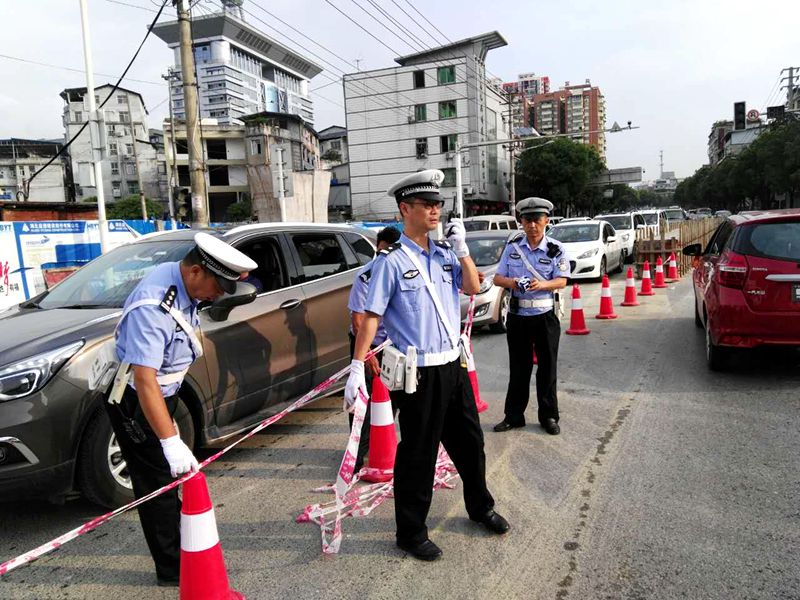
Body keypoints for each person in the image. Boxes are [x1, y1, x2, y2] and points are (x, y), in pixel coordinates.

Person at [344, 169, 509, 562]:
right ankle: (411, 531)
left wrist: (464, 248)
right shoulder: (389, 263)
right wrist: (355, 366)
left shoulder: (446, 254)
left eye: (438, 204)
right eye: (427, 205)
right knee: (418, 454)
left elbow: (472, 288)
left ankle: (480, 507)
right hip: (418, 374)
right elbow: (370, 316)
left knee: (471, 444)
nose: (436, 210)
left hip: (452, 366)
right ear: (405, 209)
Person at [108, 232, 256, 587]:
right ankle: (172, 567)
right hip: (138, 401)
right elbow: (145, 381)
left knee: (167, 477)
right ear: (193, 272)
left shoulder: (181, 282)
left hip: (165, 392)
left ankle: (179, 545)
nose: (218, 294)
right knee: (156, 484)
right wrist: (170, 439)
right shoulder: (153, 307)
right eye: (216, 286)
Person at [491, 198, 569, 436]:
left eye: (537, 220)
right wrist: (513, 282)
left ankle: (549, 416)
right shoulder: (513, 248)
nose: (532, 225)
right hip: (517, 316)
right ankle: (514, 416)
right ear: (521, 222)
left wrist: (542, 284)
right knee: (519, 368)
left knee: (547, 368)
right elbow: (497, 278)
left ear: (546, 221)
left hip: (544, 315)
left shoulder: (556, 249)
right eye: (527, 220)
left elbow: (562, 281)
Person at [346, 225, 402, 471]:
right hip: (368, 344)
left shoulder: (402, 271)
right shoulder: (365, 276)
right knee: (362, 402)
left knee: (395, 397)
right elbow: (358, 321)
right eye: (381, 251)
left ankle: (384, 442)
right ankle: (357, 457)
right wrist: (367, 356)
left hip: (395, 345)